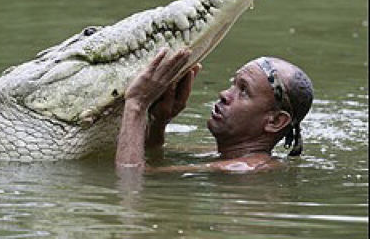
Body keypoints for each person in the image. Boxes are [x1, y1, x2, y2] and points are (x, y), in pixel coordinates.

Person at [116, 48, 314, 172]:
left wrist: (136, 104)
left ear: (275, 121)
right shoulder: (222, 155)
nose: (224, 94)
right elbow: (153, 155)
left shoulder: (245, 166)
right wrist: (160, 121)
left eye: (243, 91)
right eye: (233, 84)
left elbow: (131, 177)